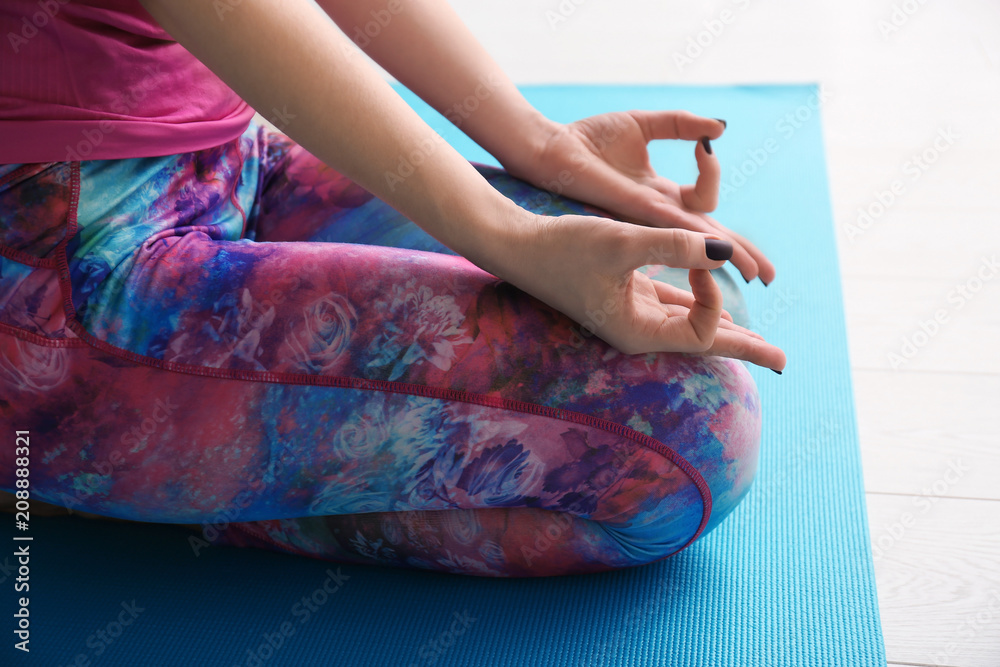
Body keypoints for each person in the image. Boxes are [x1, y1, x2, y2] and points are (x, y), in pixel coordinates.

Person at [0, 0, 785, 577]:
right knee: (691, 443)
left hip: (229, 150)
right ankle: (65, 480)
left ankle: (185, 472)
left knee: (682, 290)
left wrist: (542, 144)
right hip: (60, 256)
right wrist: (512, 237)